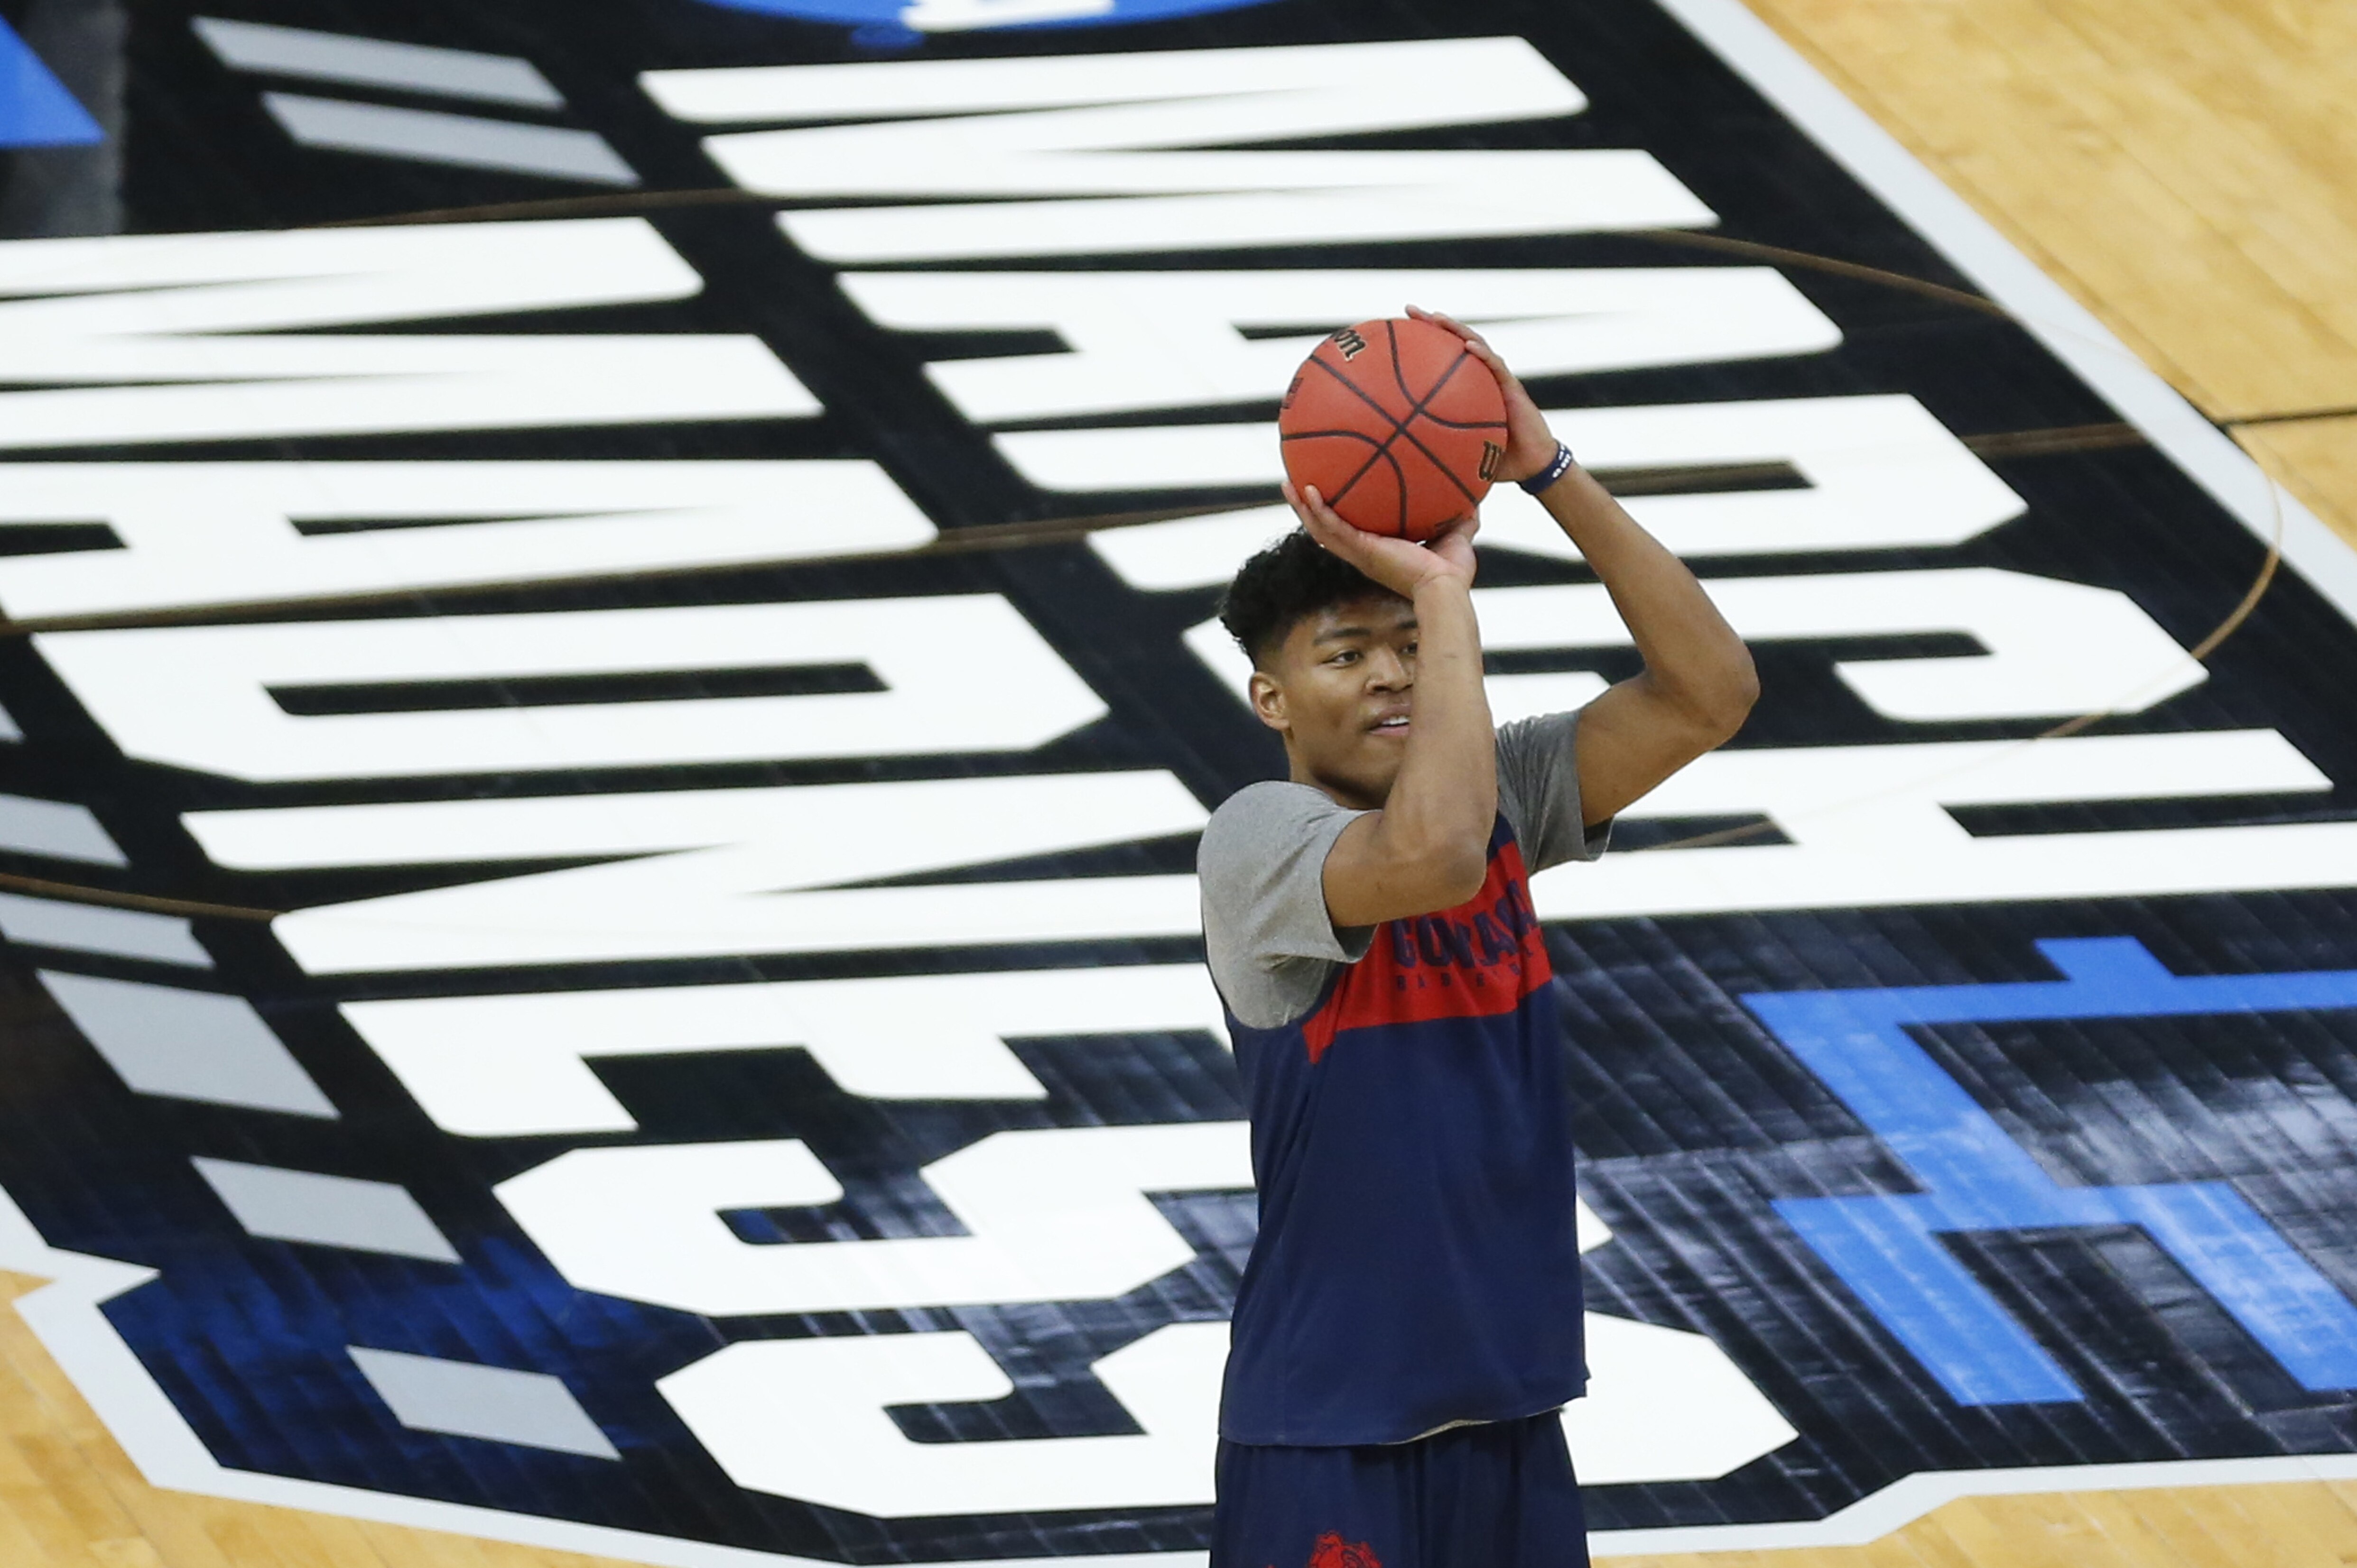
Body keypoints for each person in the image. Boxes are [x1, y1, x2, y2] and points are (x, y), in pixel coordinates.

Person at [1200, 307, 1759, 1568]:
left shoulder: (1500, 794)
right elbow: (1437, 855)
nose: (1393, 674)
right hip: (1329, 1420)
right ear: (1272, 698)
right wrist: (1440, 594)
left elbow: (1710, 692)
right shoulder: (1259, 840)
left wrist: (1550, 473)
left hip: (1506, 1404)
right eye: (1349, 653)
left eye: (1410, 647)